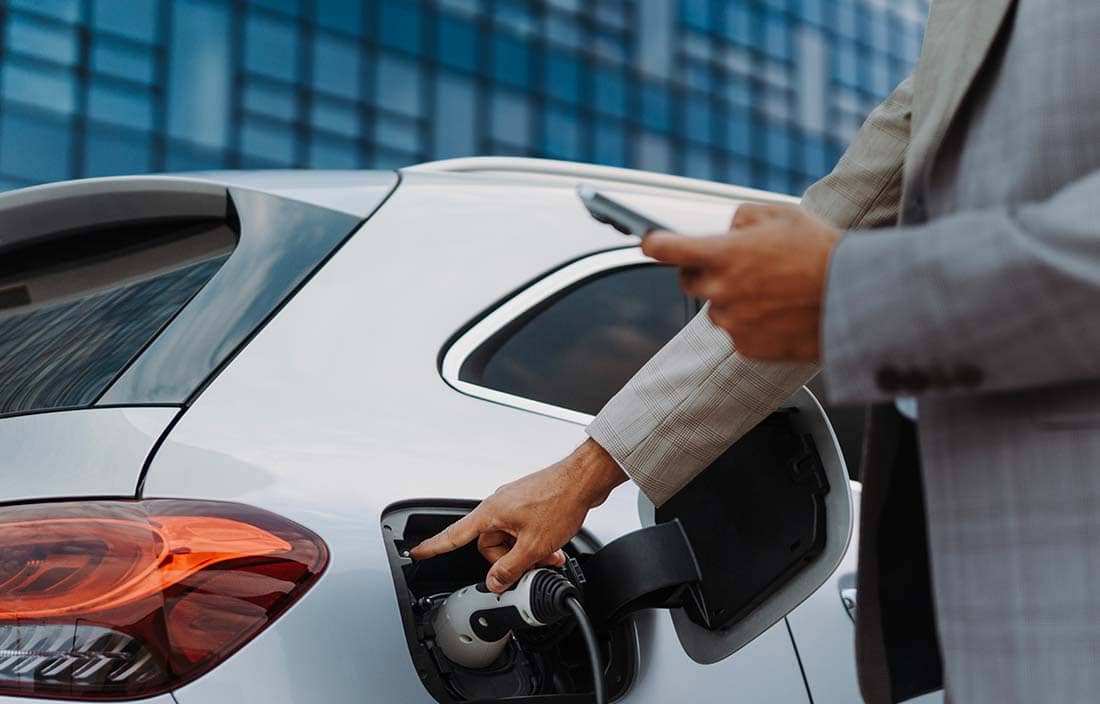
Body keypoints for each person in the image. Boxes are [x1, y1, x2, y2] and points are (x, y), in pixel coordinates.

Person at [414, 1, 1100, 701]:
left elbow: (830, 276)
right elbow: (832, 238)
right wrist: (580, 476)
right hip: (991, 619)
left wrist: (852, 291)